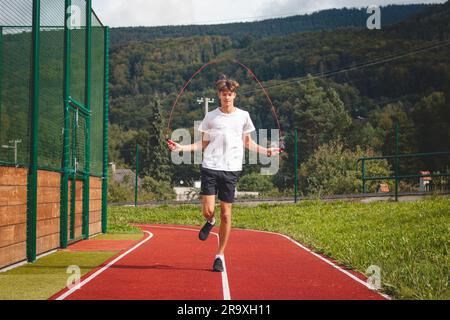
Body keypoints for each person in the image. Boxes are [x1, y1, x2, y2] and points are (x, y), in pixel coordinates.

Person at [167, 76, 281, 272]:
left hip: (231, 169)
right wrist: (181, 148)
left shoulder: (243, 116)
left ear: (234, 95)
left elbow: (247, 143)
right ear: (219, 95)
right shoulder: (211, 117)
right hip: (210, 166)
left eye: (230, 94)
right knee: (208, 211)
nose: (227, 97)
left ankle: (219, 256)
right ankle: (210, 221)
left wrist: (266, 151)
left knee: (226, 215)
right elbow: (203, 143)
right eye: (223, 94)